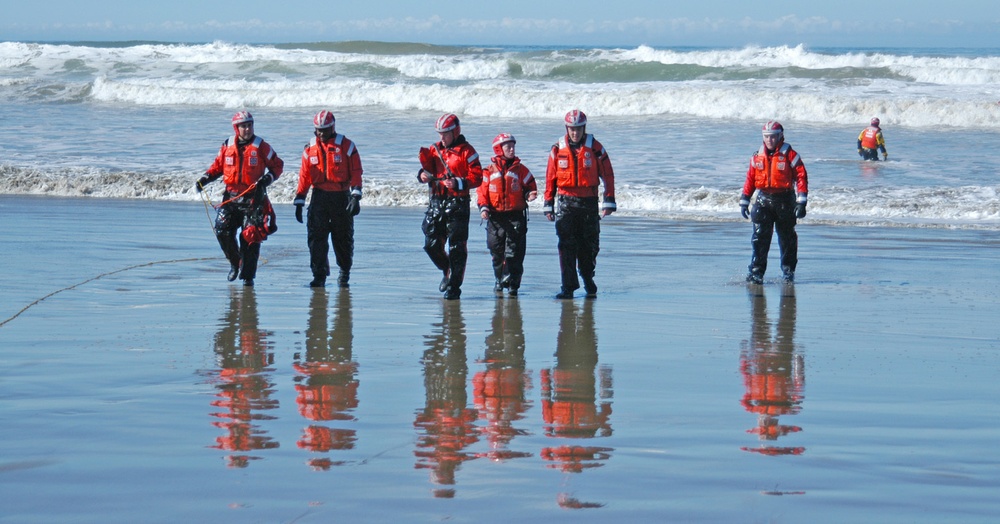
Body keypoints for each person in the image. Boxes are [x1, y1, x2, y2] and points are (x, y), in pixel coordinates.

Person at [196, 111, 283, 287]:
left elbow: (278, 165)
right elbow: (217, 167)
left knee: (250, 237)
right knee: (222, 231)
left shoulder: (261, 146)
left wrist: (267, 179)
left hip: (253, 199)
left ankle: (248, 278)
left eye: (250, 125)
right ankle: (236, 264)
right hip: (231, 198)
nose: (247, 129)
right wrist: (205, 179)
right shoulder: (227, 145)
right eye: (243, 126)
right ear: (236, 128)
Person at [543, 110, 616, 299]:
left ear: (584, 128)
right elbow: (550, 177)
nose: (575, 133)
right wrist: (548, 203)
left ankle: (587, 276)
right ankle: (568, 287)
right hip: (566, 203)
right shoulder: (557, 150)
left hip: (589, 204)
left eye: (578, 129)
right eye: (572, 129)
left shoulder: (596, 148)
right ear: (567, 129)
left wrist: (608, 200)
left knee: (589, 246)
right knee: (566, 247)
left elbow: (608, 175)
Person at [293, 110, 364, 288]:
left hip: (342, 197)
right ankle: (319, 275)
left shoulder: (347, 146)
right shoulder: (309, 149)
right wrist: (300, 199)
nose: (321, 133)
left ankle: (344, 272)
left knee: (343, 239)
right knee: (316, 239)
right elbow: (304, 176)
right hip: (319, 198)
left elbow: (356, 172)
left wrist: (356, 196)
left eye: (325, 129)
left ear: (333, 127)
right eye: (318, 130)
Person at [417, 113, 483, 300]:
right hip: (437, 201)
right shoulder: (434, 149)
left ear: (455, 132)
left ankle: (454, 286)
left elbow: (478, 177)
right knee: (430, 244)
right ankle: (447, 268)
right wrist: (422, 175)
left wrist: (458, 183)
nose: (442, 138)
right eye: (440, 134)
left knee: (457, 247)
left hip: (458, 203)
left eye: (445, 134)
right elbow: (427, 169)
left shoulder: (468, 152)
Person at [739, 121, 808, 284]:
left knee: (787, 238)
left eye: (773, 137)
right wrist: (744, 200)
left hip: (785, 201)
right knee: (759, 238)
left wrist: (802, 202)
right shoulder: (756, 156)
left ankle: (788, 272)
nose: (770, 140)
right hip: (763, 201)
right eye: (767, 137)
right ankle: (756, 273)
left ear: (780, 136)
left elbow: (801, 177)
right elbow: (750, 178)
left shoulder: (791, 156)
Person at [477, 133, 538, 297]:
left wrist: (530, 194)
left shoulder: (520, 169)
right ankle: (499, 280)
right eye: (508, 146)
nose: (512, 149)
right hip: (495, 218)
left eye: (513, 146)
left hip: (516, 216)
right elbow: (482, 192)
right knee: (496, 251)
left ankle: (513, 285)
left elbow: (531, 185)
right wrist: (483, 208)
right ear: (499, 149)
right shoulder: (488, 171)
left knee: (515, 253)